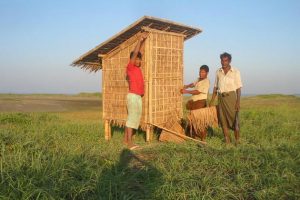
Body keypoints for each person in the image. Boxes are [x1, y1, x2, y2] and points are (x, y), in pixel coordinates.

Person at [209, 52, 243, 144]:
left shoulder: (235, 71)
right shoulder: (218, 72)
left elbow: (239, 88)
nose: (223, 62)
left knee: (234, 119)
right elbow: (215, 87)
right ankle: (227, 141)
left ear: (229, 61)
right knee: (223, 119)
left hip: (231, 97)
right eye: (222, 60)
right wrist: (212, 101)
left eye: (225, 60)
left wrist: (238, 102)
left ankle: (237, 140)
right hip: (221, 98)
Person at [124, 32, 148, 150]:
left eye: (140, 59)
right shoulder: (130, 67)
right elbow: (134, 55)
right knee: (132, 118)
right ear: (132, 60)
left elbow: (139, 51)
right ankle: (130, 143)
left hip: (137, 97)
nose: (138, 61)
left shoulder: (137, 69)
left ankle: (126, 140)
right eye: (136, 59)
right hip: (133, 96)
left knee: (134, 118)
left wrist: (143, 41)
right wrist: (139, 40)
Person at [180, 65, 210, 141]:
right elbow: (193, 84)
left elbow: (198, 91)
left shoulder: (206, 81)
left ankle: (202, 138)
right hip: (194, 102)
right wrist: (186, 86)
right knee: (193, 120)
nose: (201, 73)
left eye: (203, 72)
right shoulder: (198, 79)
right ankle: (194, 136)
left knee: (200, 121)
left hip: (200, 103)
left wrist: (186, 91)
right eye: (200, 72)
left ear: (207, 73)